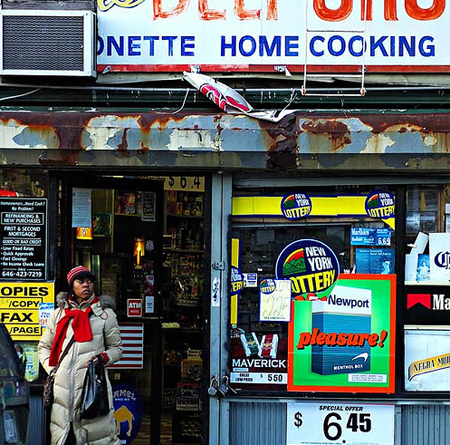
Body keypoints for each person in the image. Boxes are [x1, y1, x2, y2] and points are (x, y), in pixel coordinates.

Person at [38, 266, 123, 445]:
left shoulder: (106, 316)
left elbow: (117, 348)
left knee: (96, 438)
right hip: (62, 393)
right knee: (64, 438)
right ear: (72, 286)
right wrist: (54, 369)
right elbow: (44, 346)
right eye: (81, 281)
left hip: (91, 389)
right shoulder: (59, 314)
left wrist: (103, 358)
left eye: (90, 281)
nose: (86, 285)